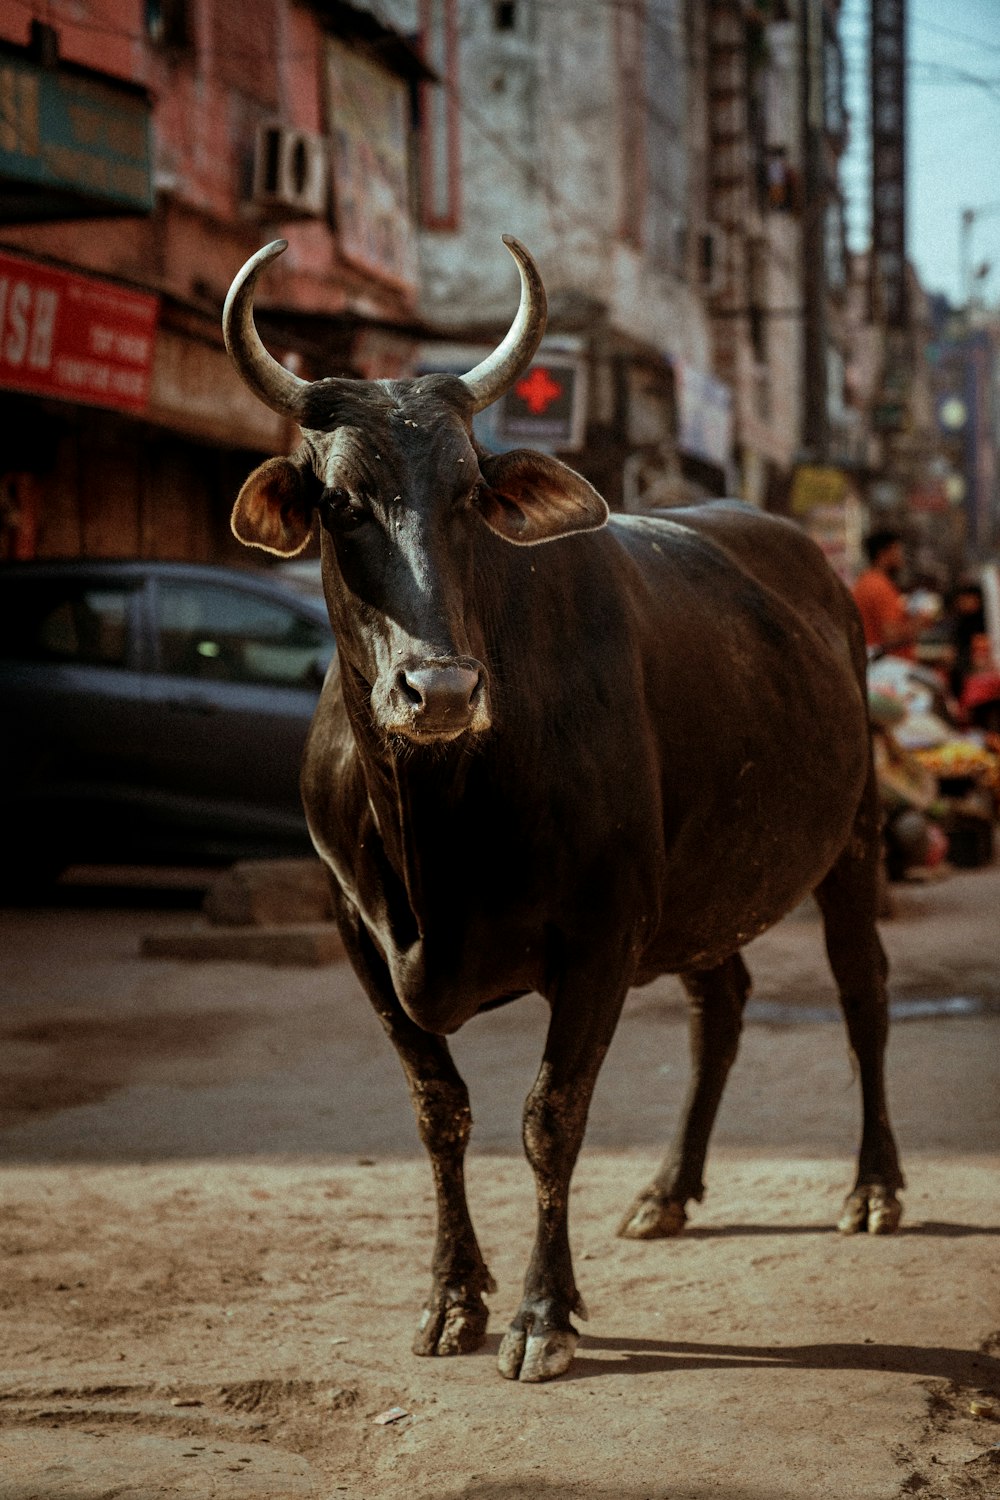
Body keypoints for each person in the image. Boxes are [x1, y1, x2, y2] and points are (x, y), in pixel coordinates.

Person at [852, 529, 935, 659]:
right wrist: (921, 621)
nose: (901, 557)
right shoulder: (880, 586)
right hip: (888, 665)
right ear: (883, 553)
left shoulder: (864, 582)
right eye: (897, 551)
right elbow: (891, 636)